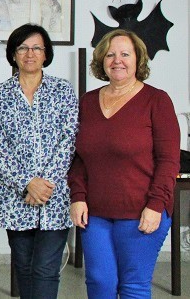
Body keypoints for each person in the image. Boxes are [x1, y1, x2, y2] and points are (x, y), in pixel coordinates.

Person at [68, 29, 180, 298]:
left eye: (125, 54)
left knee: (133, 286)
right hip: (95, 213)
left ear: (138, 59)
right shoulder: (89, 101)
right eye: (110, 54)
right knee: (99, 282)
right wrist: (78, 197)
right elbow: (79, 157)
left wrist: (155, 205)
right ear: (102, 61)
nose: (117, 60)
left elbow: (168, 161)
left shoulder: (157, 100)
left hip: (142, 210)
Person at [0, 24, 78, 299]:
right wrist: (27, 183)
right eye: (23, 48)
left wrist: (44, 184)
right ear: (13, 54)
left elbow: (69, 139)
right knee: (24, 268)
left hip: (54, 196)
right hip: (17, 197)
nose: (30, 53)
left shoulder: (63, 91)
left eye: (37, 48)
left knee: (46, 270)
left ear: (46, 53)